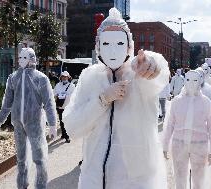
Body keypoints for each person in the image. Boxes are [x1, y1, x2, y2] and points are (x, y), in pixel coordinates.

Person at [62, 8, 169, 189]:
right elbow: (72, 126)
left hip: (136, 180)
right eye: (106, 43)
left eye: (119, 43)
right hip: (94, 177)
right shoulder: (89, 76)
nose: (112, 50)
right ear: (98, 46)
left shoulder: (138, 74)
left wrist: (152, 65)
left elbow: (159, 74)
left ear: (129, 45)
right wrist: (102, 100)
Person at [0, 48, 57, 189]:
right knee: (21, 158)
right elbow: (7, 102)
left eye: (24, 57)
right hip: (18, 123)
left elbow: (49, 102)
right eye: (20, 57)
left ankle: (40, 185)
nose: (21, 60)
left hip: (35, 122)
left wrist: (52, 124)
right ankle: (22, 184)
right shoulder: (13, 77)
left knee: (39, 158)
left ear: (32, 59)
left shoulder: (40, 78)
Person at [163, 70, 211, 189]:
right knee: (180, 178)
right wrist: (165, 145)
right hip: (179, 144)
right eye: (188, 80)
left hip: (199, 145)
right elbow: (169, 124)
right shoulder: (177, 101)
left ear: (200, 82)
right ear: (184, 81)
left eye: (195, 81)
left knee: (199, 180)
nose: (192, 84)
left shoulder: (205, 102)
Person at [53, 71, 75, 143]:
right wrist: (58, 96)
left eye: (65, 77)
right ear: (61, 77)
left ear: (68, 77)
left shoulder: (71, 86)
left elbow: (73, 96)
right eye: (63, 76)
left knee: (67, 121)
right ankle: (64, 134)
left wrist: (66, 96)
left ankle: (67, 136)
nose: (64, 78)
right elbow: (54, 94)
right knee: (61, 121)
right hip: (60, 106)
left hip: (68, 106)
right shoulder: (58, 85)